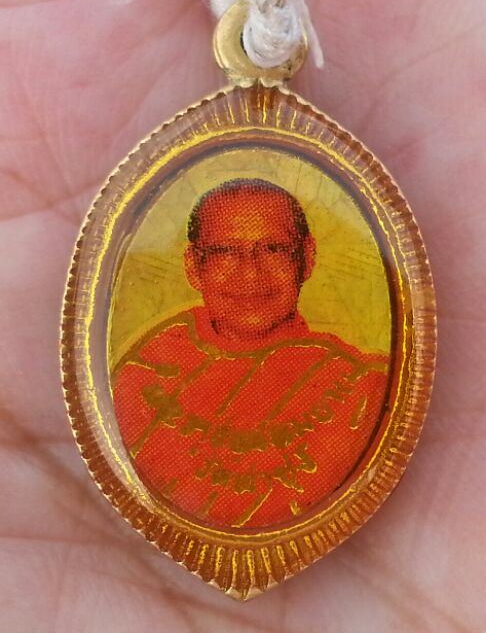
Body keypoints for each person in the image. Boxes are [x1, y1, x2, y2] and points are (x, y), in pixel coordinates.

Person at [113, 178, 389, 528]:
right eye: (225, 252)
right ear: (194, 266)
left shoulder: (361, 390)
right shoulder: (148, 371)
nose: (250, 273)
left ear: (306, 259)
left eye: (273, 249)